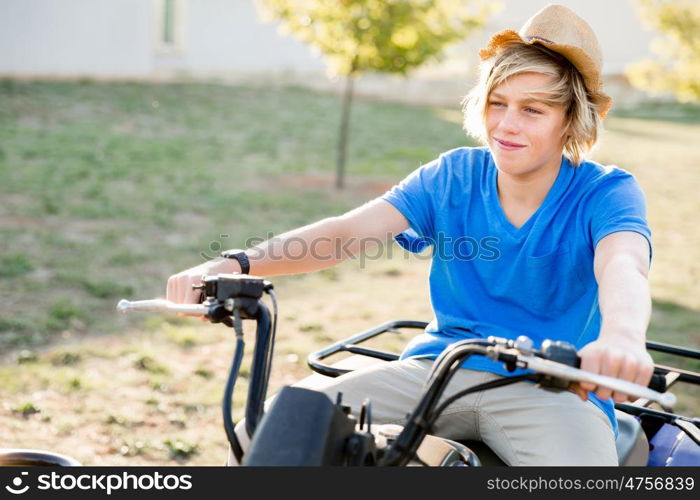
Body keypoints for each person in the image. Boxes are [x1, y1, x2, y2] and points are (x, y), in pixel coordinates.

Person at [166, 4, 654, 466]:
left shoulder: (605, 191)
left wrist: (624, 337)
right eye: (497, 103)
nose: (506, 124)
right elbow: (346, 233)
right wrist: (234, 265)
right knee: (268, 430)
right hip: (439, 371)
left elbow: (623, 265)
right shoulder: (454, 176)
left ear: (571, 119)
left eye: (532, 110)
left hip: (554, 388)